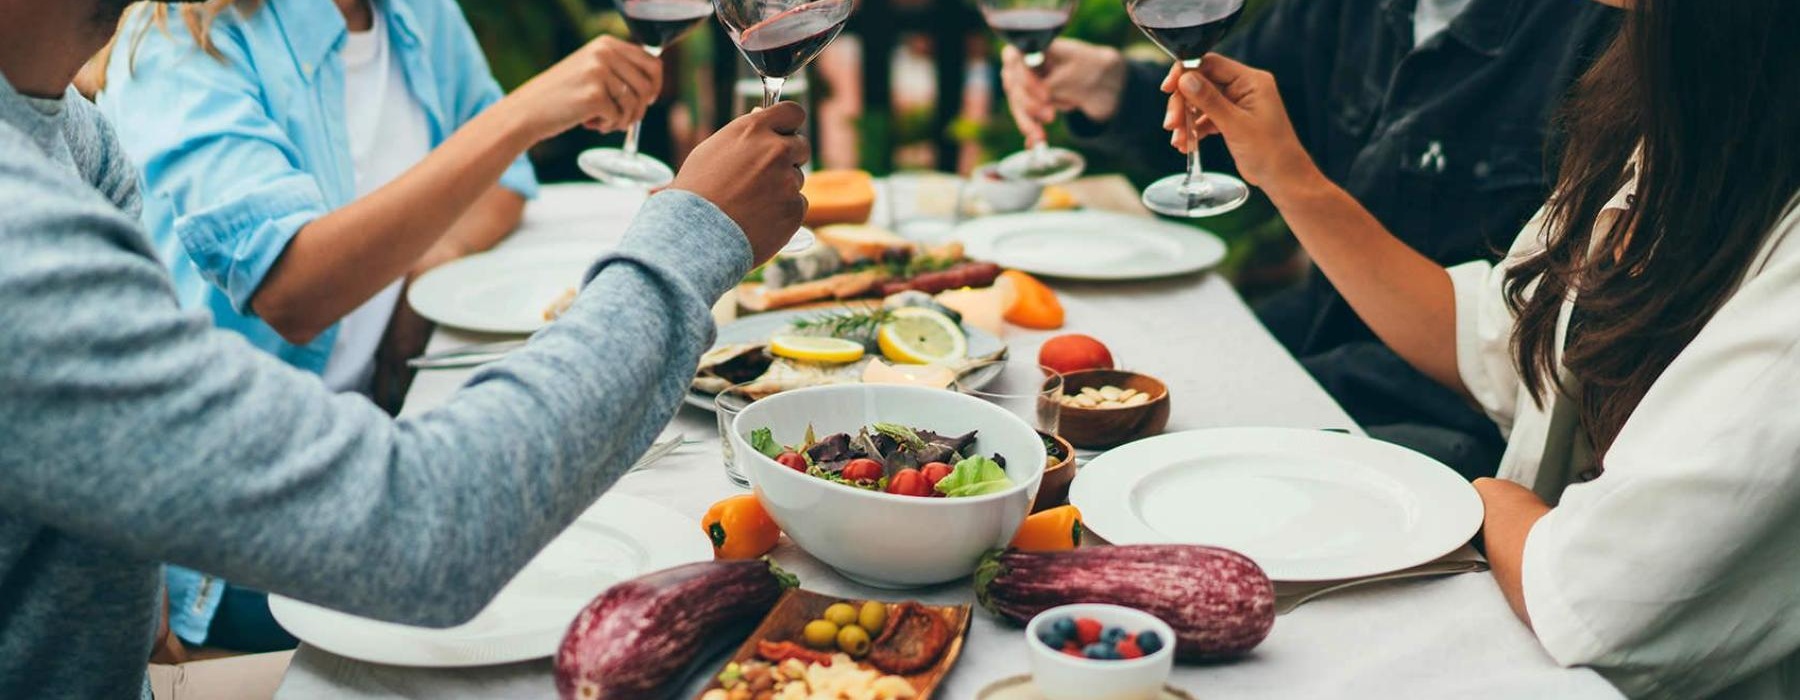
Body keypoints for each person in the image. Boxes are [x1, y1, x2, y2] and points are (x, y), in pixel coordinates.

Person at [0, 0, 810, 695]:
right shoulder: (27, 231)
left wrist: (411, 281)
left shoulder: (59, 125)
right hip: (275, 557)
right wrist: (688, 239)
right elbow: (423, 526)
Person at [1163, 0, 1798, 694]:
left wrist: (1493, 502)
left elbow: (1593, 594)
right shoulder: (1685, 115)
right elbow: (1499, 345)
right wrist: (1286, 174)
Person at [87, 0, 663, 655]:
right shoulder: (177, 44)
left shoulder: (413, 11)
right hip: (233, 521)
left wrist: (424, 268)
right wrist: (523, 113)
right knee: (573, 594)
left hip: (372, 442)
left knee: (618, 545)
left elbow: (503, 183)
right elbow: (293, 292)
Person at [1001, 0, 1619, 479]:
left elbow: (1539, 351)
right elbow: (1226, 110)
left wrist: (1290, 178)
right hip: (1321, 328)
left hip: (1456, 417)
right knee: (1075, 409)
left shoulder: (1610, 37)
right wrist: (1110, 86)